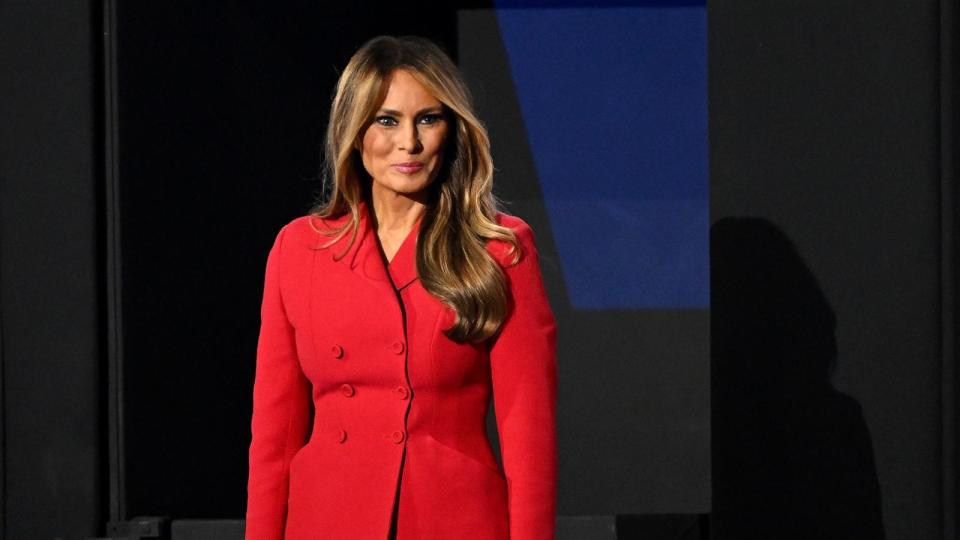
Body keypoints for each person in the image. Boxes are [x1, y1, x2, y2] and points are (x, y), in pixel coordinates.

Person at [244, 34, 558, 540]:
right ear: (355, 130)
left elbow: (529, 432)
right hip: (327, 519)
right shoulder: (299, 249)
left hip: (451, 520)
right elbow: (273, 438)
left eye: (427, 119)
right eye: (386, 120)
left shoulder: (500, 248)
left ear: (452, 129)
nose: (408, 143)